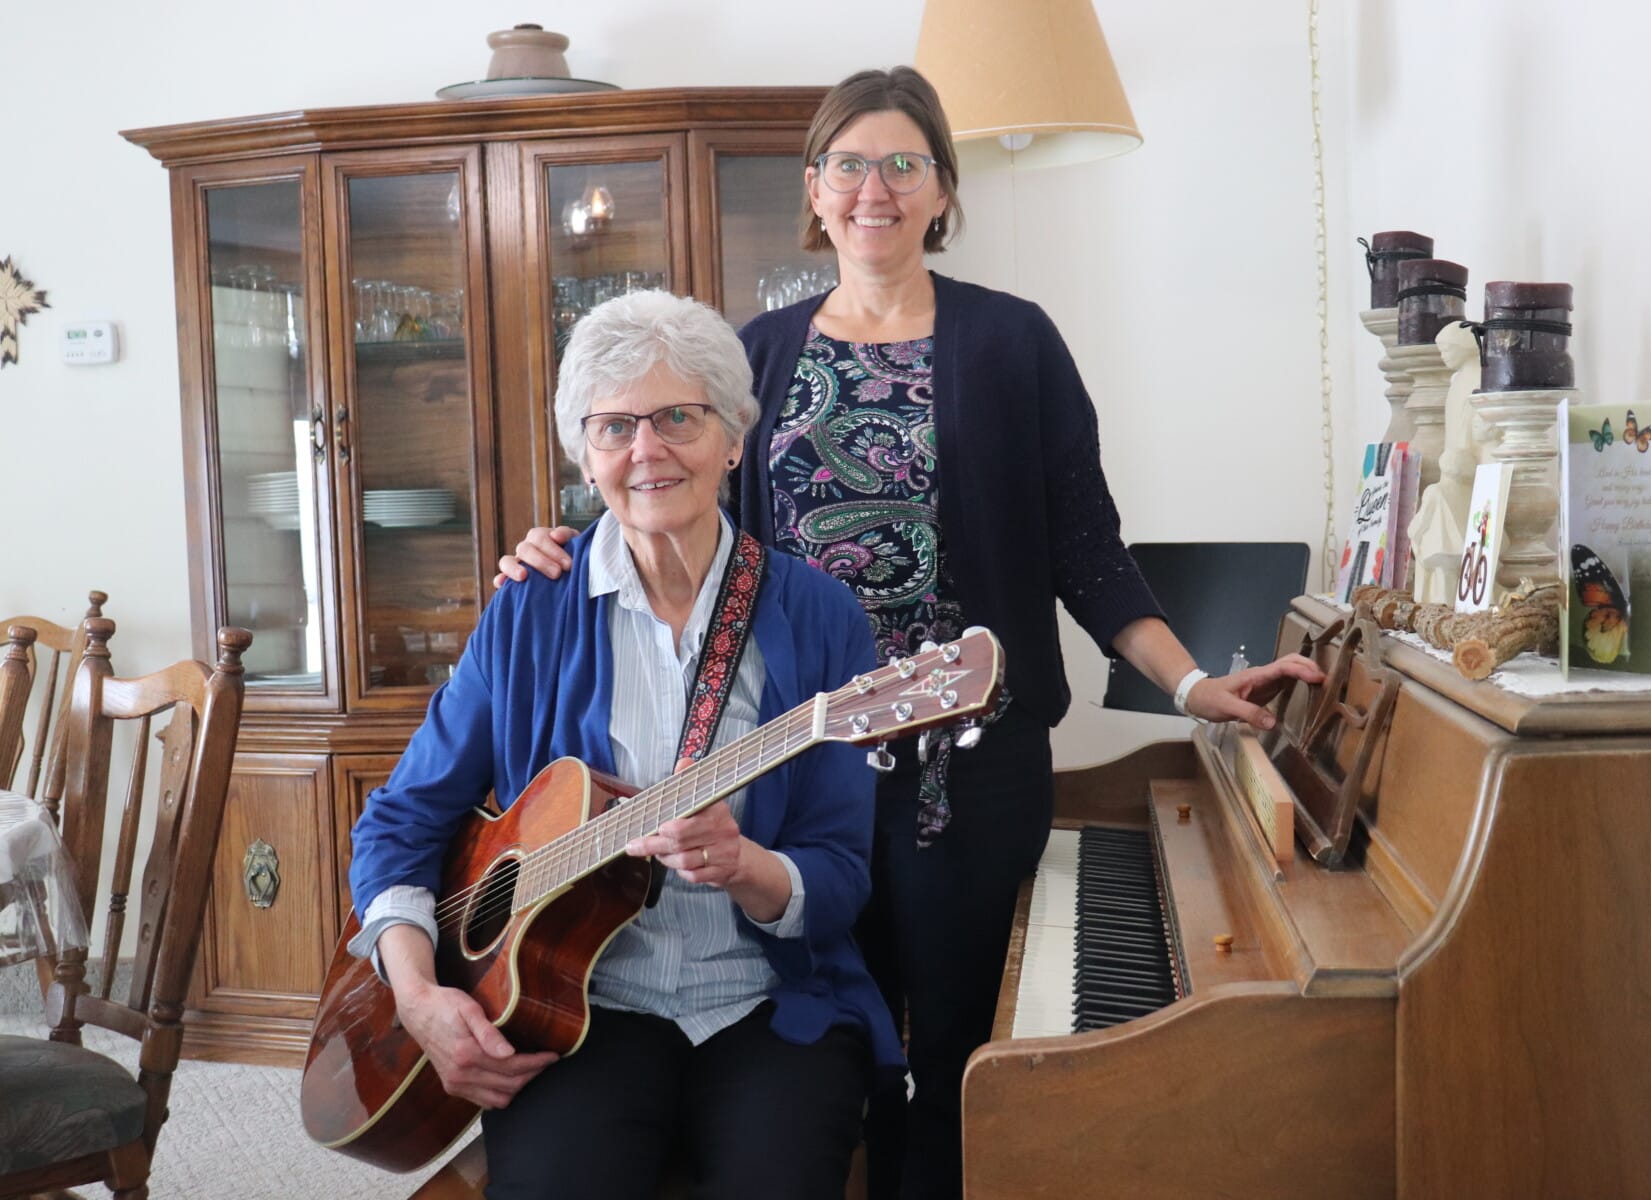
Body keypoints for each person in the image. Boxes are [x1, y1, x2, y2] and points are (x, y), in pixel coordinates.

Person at [492, 67, 1325, 1200]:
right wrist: (550, 548)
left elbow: (1086, 546)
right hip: (794, 775)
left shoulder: (1014, 342)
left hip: (968, 781)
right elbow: (670, 503)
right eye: (848, 164)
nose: (872, 188)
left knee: (959, 1060)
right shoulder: (757, 355)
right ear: (814, 189)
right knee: (826, 1038)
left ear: (942, 188)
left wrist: (1187, 688)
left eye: (902, 163)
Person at [349, 290, 902, 1200]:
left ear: (733, 436)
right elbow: (399, 824)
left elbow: (841, 877)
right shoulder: (531, 609)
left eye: (679, 417)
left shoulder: (819, 616)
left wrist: (747, 865)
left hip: (768, 1003)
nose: (647, 450)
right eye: (614, 427)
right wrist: (419, 997)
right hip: (575, 1011)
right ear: (586, 455)